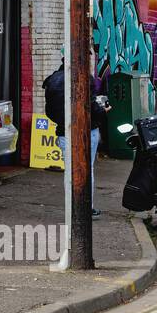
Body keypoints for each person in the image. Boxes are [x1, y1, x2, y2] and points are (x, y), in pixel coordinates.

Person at [43, 59, 106, 217]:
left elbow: (49, 112)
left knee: (70, 171)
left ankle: (72, 207)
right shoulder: (85, 78)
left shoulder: (52, 80)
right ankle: (86, 208)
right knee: (86, 170)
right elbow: (91, 108)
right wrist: (103, 110)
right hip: (87, 131)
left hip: (64, 132)